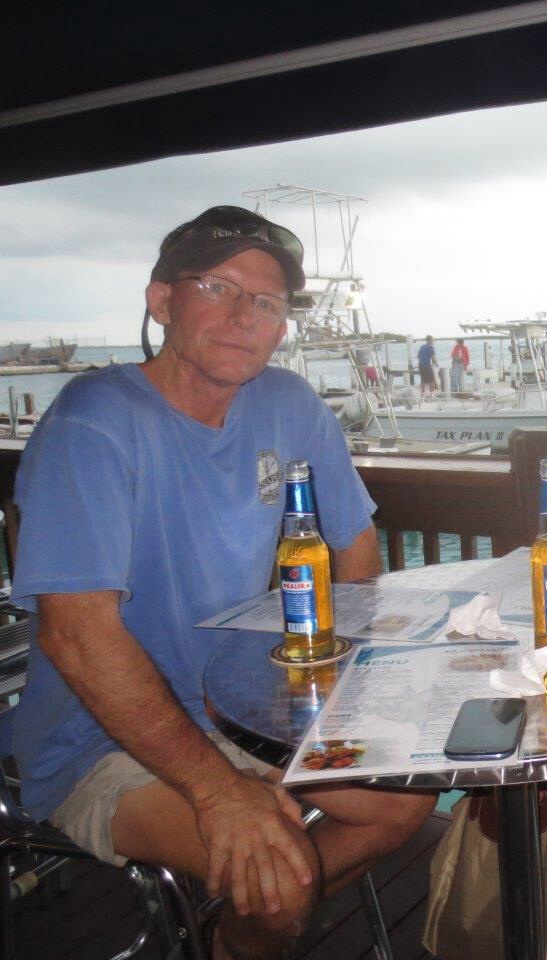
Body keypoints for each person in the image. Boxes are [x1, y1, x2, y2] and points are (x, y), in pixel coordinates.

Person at [10, 206, 436, 960]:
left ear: (281, 327)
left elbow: (355, 545)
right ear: (162, 300)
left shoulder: (288, 404)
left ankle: (238, 926)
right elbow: (77, 638)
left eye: (267, 301)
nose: (244, 315)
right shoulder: (94, 423)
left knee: (402, 802)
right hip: (98, 739)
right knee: (278, 874)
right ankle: (255, 926)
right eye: (218, 287)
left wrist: (351, 690)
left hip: (244, 710)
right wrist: (219, 792)